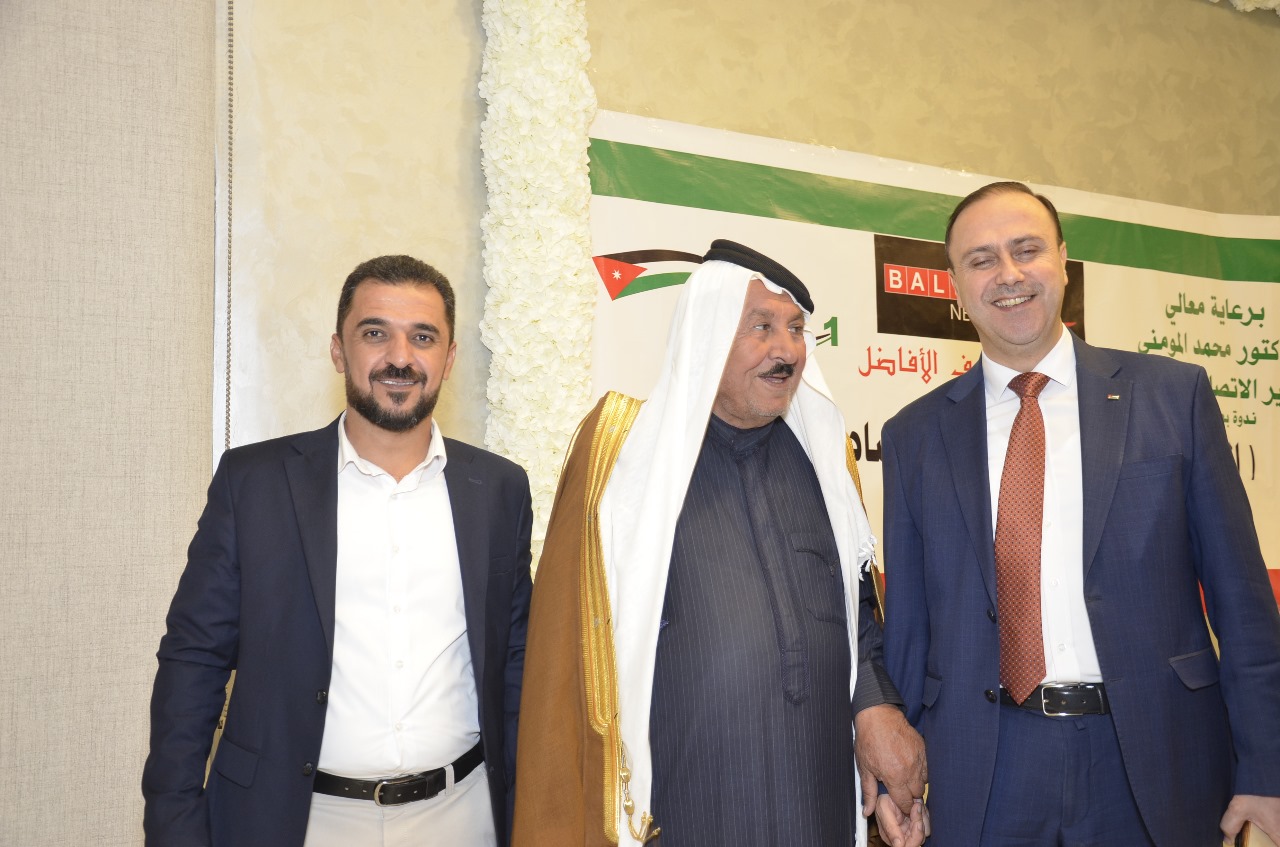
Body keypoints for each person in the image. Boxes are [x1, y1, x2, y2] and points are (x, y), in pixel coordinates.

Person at [879, 182, 1280, 846]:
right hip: (986, 768)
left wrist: (1266, 767)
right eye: (981, 259)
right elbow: (910, 631)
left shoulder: (1172, 396)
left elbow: (1242, 601)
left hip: (1154, 757)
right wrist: (899, 783)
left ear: (1064, 261)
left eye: (1026, 249)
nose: (1008, 274)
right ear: (955, 285)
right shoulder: (912, 435)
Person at [512, 240, 928, 847]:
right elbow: (567, 651)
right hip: (688, 803)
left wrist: (878, 708)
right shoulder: (626, 457)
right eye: (761, 327)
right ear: (706, 336)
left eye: (795, 330)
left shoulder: (824, 461)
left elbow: (857, 615)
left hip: (815, 797)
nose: (786, 349)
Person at [142, 255, 533, 847]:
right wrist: (174, 826)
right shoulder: (255, 483)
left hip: (465, 814)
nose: (400, 357)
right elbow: (193, 660)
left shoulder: (499, 489)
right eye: (375, 333)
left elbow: (517, 663)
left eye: (422, 337)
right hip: (299, 821)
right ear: (337, 350)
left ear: (449, 358)